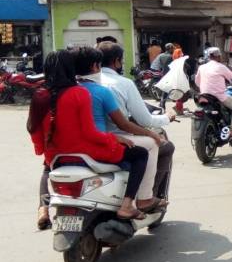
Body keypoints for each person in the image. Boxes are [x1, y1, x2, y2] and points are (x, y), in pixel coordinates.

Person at [29, 50, 150, 221]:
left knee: (45, 169)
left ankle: (43, 208)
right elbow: (90, 133)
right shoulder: (79, 93)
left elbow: (33, 129)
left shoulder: (39, 95)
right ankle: (127, 205)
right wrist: (114, 138)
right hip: (87, 153)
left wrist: (44, 150)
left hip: (56, 156)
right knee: (141, 154)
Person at [73, 46, 167, 212]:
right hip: (102, 143)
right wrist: (152, 131)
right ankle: (140, 199)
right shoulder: (104, 90)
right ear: (96, 65)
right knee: (149, 147)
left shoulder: (68, 90)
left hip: (74, 145)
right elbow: (125, 123)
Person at [97, 41, 177, 206]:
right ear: (117, 61)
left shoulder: (85, 84)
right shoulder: (123, 83)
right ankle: (146, 196)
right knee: (162, 145)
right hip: (115, 140)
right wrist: (167, 118)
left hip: (92, 139)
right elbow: (142, 120)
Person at [195, 47, 232, 125]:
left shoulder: (201, 67)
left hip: (204, 96)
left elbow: (197, 82)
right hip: (219, 97)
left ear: (209, 57)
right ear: (218, 56)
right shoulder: (221, 67)